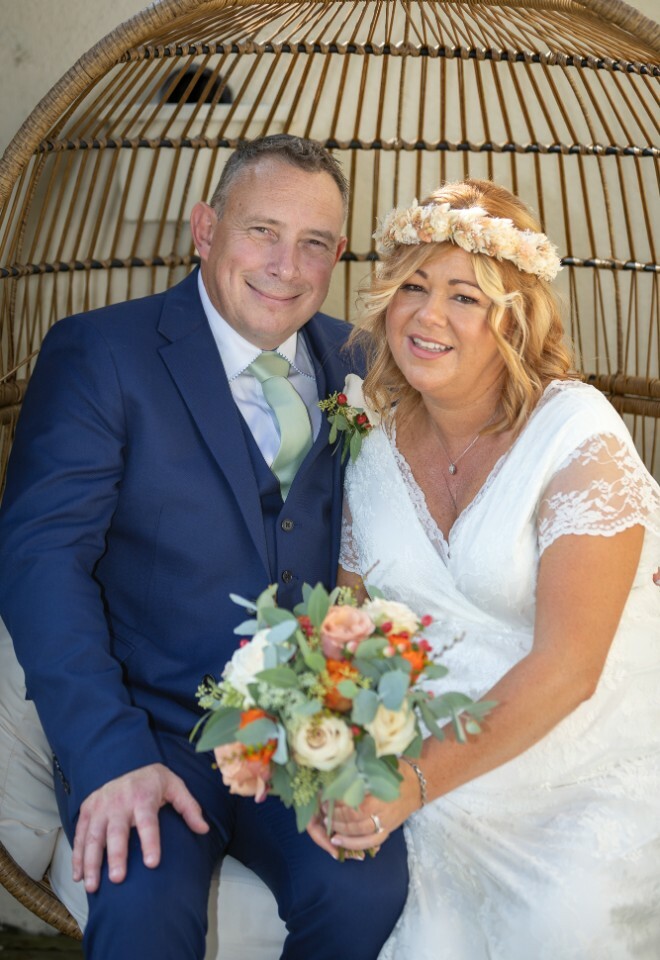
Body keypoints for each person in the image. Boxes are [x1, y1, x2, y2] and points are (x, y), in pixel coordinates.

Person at [0, 135, 409, 959]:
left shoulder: (364, 363)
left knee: (364, 892)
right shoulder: (101, 354)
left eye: (314, 243)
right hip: (145, 724)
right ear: (204, 230)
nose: (286, 267)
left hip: (301, 731)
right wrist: (109, 755)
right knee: (143, 904)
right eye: (262, 231)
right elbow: (42, 562)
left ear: (337, 256)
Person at [307, 179, 660, 958]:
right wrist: (336, 749)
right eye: (413, 286)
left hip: (571, 754)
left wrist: (411, 784)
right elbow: (348, 627)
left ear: (514, 318)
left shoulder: (575, 434)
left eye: (464, 296)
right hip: (425, 748)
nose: (427, 316)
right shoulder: (369, 437)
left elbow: (571, 667)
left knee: (557, 920)